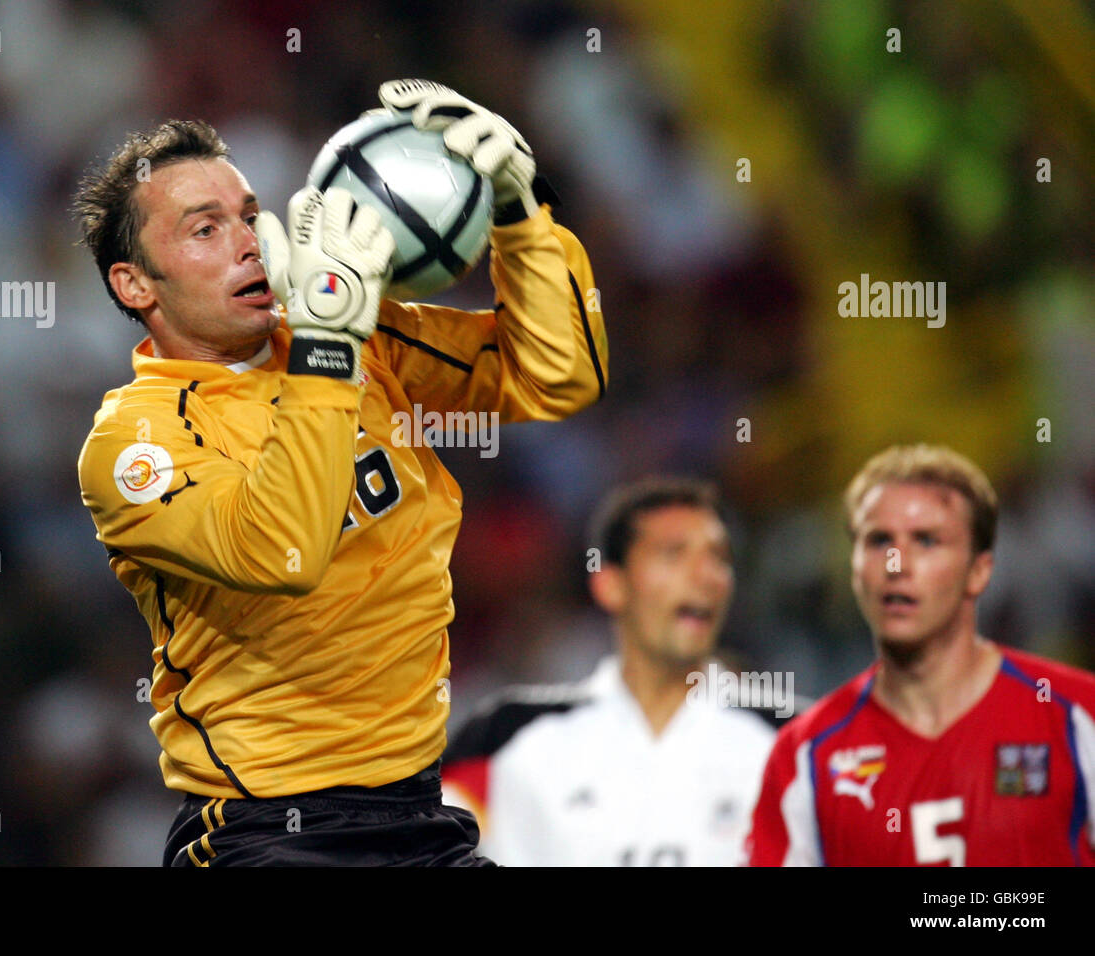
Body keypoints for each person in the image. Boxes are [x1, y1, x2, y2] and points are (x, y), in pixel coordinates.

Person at [72, 79, 607, 866]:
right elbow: (281, 551)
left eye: (250, 215)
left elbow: (557, 374)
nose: (248, 240)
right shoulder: (133, 446)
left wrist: (519, 209)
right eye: (205, 229)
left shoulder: (352, 333)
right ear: (135, 284)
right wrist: (329, 345)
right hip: (267, 832)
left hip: (421, 814)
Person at [745, 444, 1095, 866]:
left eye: (926, 540)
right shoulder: (805, 756)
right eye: (878, 541)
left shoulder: (1077, 716)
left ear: (979, 570)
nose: (897, 564)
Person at [442, 477, 781, 865]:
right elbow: (407, 841)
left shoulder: (793, 746)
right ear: (610, 584)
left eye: (719, 558)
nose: (704, 576)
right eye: (673, 554)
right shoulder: (507, 739)